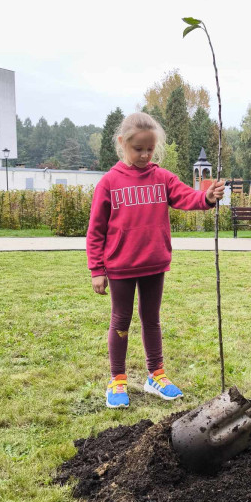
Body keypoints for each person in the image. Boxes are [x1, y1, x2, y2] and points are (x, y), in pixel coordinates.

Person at [87, 111, 224, 409]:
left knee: (152, 320)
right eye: (138, 149)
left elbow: (188, 197)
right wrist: (97, 270)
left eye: (150, 149)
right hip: (120, 268)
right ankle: (118, 379)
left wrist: (208, 197)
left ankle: (156, 375)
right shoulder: (109, 183)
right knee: (120, 321)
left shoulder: (161, 177)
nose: (145, 154)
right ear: (122, 143)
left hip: (154, 264)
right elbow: (95, 231)